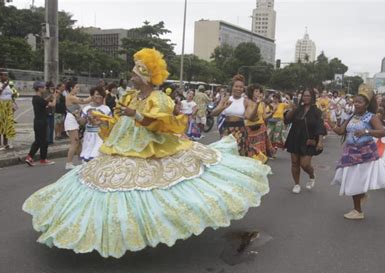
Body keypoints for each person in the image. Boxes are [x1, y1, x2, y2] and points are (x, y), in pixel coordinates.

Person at [22, 48, 270, 259]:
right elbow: (120, 120)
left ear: (146, 76)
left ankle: (151, 229)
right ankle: (108, 229)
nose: (131, 76)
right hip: (123, 147)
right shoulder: (130, 95)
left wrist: (136, 115)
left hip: (151, 149)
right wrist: (106, 119)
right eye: (132, 72)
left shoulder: (159, 98)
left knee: (154, 192)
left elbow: (164, 124)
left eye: (135, 72)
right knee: (106, 187)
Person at [328, 84, 385, 220]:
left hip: (365, 153)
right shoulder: (352, 116)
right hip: (350, 152)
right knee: (351, 180)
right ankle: (360, 201)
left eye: (360, 102)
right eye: (355, 102)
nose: (356, 105)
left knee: (355, 182)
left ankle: (358, 211)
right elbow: (341, 131)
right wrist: (330, 125)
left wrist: (366, 131)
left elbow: (381, 132)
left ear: (366, 104)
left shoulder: (371, 117)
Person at [284, 88, 326, 193]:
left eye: (308, 96)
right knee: (294, 163)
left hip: (309, 140)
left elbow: (320, 126)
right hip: (295, 137)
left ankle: (311, 175)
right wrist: (293, 109)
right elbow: (287, 120)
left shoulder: (317, 111)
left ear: (312, 97)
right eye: (304, 95)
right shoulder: (298, 109)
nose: (306, 98)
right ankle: (297, 184)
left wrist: (320, 141)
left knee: (305, 164)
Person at [211, 74, 258, 156]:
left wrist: (256, 105)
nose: (238, 89)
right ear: (232, 87)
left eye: (241, 87)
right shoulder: (226, 99)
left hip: (240, 130)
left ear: (243, 89)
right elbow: (213, 113)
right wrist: (223, 107)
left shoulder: (246, 101)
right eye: (236, 86)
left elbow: (250, 117)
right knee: (225, 154)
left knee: (237, 154)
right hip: (226, 130)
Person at [24, 82, 58, 166]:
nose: (44, 89)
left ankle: (33, 157)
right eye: (42, 87)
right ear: (39, 88)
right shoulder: (39, 99)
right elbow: (52, 104)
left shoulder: (36, 98)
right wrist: (54, 98)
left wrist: (50, 96)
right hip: (41, 122)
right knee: (42, 141)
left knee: (40, 141)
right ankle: (39, 158)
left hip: (37, 121)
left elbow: (44, 101)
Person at [64, 82, 92, 169]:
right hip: (71, 121)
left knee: (79, 143)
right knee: (74, 142)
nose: (78, 89)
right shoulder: (70, 97)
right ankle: (68, 163)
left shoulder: (72, 97)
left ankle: (82, 160)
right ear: (71, 88)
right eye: (76, 87)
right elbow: (85, 101)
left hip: (74, 121)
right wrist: (95, 95)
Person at [80, 87, 112, 162]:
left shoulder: (106, 109)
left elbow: (110, 124)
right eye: (97, 94)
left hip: (100, 136)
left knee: (97, 157)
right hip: (89, 136)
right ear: (92, 96)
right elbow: (82, 123)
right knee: (86, 159)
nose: (99, 96)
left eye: (101, 95)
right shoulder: (86, 108)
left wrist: (100, 121)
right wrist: (82, 117)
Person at [245, 84, 275, 162]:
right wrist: (257, 104)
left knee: (261, 151)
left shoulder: (262, 103)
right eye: (256, 91)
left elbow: (264, 117)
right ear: (251, 92)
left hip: (261, 129)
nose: (258, 93)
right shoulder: (248, 102)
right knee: (251, 151)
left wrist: (272, 113)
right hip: (250, 130)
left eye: (259, 91)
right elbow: (250, 117)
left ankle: (261, 167)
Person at [0, 70, 16, 150]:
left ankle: (6, 144)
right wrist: (3, 87)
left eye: (7, 75)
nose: (6, 77)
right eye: (5, 75)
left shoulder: (8, 84)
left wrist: (13, 104)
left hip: (7, 106)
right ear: (0, 76)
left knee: (7, 125)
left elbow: (10, 95)